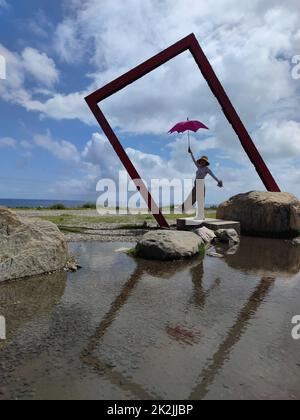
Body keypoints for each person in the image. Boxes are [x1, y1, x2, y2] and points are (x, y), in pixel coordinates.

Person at [178, 147, 223, 216]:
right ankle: (183, 208)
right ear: (200, 161)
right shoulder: (198, 166)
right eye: (201, 161)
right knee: (192, 197)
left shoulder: (207, 169)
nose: (202, 162)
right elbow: (193, 160)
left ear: (205, 163)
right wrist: (191, 153)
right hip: (196, 183)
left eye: (203, 161)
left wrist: (218, 181)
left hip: (201, 184)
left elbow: (213, 175)